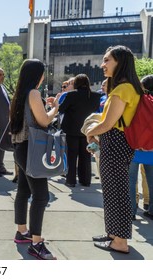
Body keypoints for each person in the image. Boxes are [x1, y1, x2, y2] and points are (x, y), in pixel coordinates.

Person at [86, 45, 142, 254]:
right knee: (112, 191)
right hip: (118, 143)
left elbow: (108, 123)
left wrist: (89, 132)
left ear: (120, 62)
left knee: (116, 192)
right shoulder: (125, 87)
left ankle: (120, 241)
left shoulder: (123, 89)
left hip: (116, 142)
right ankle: (113, 235)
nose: (103, 64)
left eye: (107, 60)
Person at [9, 59, 60, 260]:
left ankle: (22, 231)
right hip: (32, 149)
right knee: (41, 197)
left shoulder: (19, 94)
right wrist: (55, 107)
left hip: (20, 148)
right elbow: (44, 120)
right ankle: (37, 244)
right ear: (37, 75)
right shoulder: (33, 93)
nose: (44, 77)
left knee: (23, 190)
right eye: (42, 73)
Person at [58, 74, 101, 188]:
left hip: (71, 129)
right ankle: (85, 180)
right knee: (86, 155)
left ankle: (71, 180)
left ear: (76, 83)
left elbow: (61, 109)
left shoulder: (71, 95)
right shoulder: (96, 96)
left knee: (71, 156)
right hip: (88, 129)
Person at [128, 74, 153, 220]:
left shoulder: (138, 101)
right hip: (152, 147)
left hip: (135, 145)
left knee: (130, 180)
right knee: (152, 179)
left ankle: (130, 211)